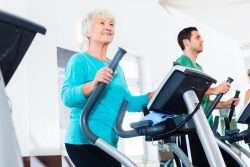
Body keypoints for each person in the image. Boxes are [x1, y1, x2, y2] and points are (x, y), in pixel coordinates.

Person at [61, 9, 153, 167]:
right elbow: (67, 97)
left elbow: (127, 103)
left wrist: (151, 96)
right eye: (102, 23)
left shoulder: (117, 68)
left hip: (108, 142)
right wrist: (93, 84)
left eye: (111, 24)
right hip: (84, 140)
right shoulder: (80, 60)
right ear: (88, 32)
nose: (108, 27)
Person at [175, 27, 240, 167]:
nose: (202, 40)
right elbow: (186, 91)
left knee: (230, 162)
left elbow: (203, 101)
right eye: (197, 37)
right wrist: (215, 89)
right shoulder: (180, 64)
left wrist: (226, 104)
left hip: (206, 127)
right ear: (186, 42)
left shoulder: (198, 67)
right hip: (191, 128)